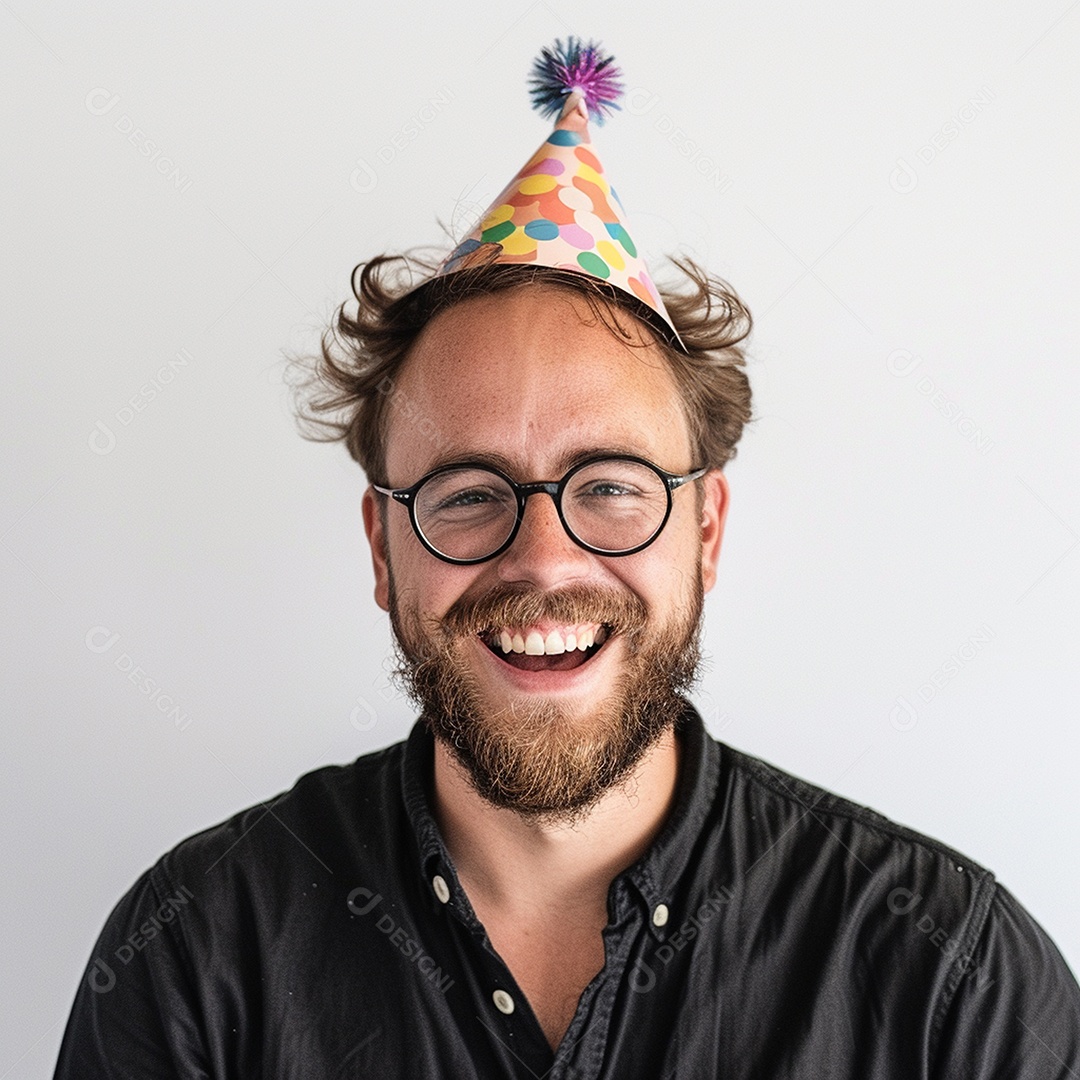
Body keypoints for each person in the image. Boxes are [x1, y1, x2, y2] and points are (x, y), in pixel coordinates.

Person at [55, 39, 1079, 1079]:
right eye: (466, 495)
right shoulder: (195, 954)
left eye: (611, 488)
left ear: (707, 531)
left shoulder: (957, 980)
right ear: (382, 547)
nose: (545, 562)